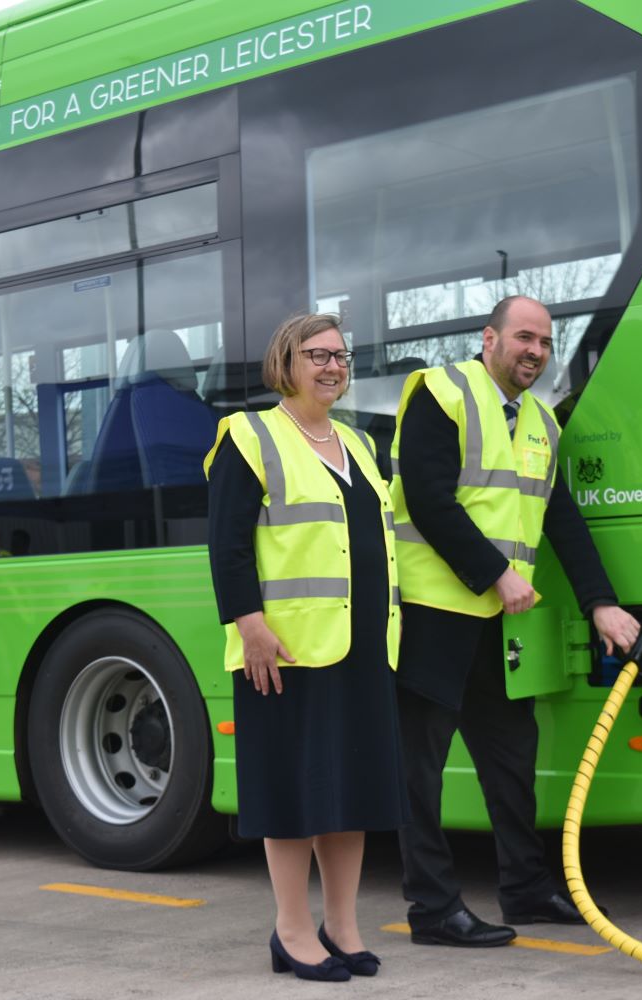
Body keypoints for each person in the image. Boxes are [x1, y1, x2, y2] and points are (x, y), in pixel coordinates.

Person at [390, 295, 641, 947]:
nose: (535, 351)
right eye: (524, 338)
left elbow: (562, 519)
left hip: (499, 627)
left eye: (545, 344)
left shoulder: (542, 425)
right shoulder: (442, 393)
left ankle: (525, 890)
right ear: (490, 338)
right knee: (420, 766)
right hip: (434, 612)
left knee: (510, 757)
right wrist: (495, 573)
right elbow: (428, 500)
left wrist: (601, 602)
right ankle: (433, 909)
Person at [205, 313, 407, 982]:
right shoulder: (250, 436)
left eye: (342, 358)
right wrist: (249, 624)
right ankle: (291, 930)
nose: (333, 367)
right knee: (292, 792)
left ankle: (342, 925)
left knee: (349, 792)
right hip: (285, 651)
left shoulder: (356, 443)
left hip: (360, 647)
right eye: (317, 355)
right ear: (284, 364)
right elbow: (228, 543)